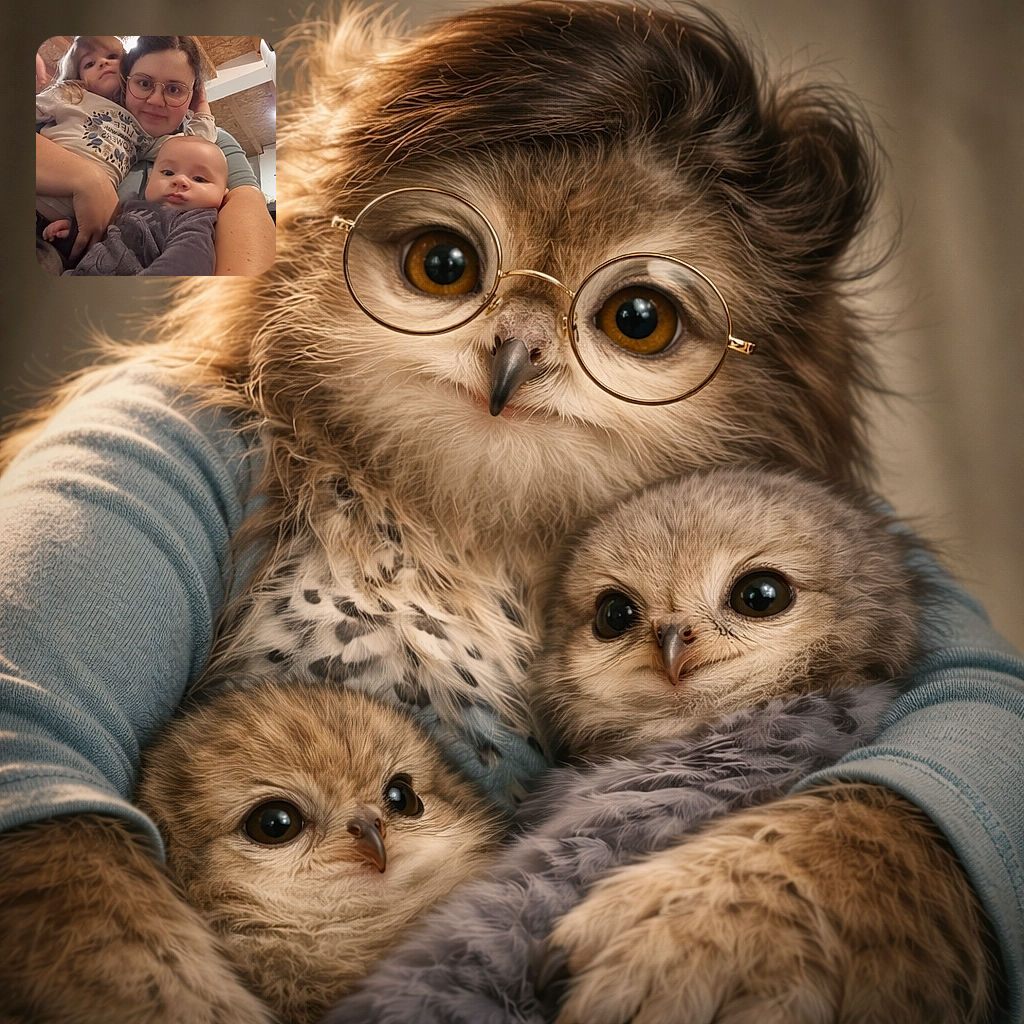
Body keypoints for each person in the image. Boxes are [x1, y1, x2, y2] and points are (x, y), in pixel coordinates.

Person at [35, 35, 274, 275]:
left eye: (174, 89)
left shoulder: (194, 143)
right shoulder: (74, 102)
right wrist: (87, 179)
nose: (156, 100)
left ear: (192, 94)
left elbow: (246, 203)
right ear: (126, 82)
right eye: (144, 83)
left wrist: (202, 107)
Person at [65, 136, 228, 276]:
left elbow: (185, 265)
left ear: (224, 193)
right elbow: (107, 237)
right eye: (168, 173)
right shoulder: (133, 205)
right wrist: (71, 233)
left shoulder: (194, 221)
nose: (179, 181)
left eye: (199, 179)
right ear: (149, 179)